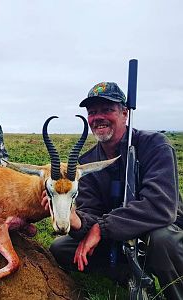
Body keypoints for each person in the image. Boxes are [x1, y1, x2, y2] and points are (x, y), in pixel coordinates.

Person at [41, 82, 183, 299]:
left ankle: (175, 291)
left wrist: (101, 228)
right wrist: (74, 219)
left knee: (163, 240)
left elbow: (160, 207)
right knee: (61, 249)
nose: (98, 117)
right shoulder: (87, 162)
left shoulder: (155, 145)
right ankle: (126, 275)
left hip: (155, 228)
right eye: (93, 112)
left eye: (107, 109)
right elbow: (90, 213)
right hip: (114, 234)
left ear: (125, 113)